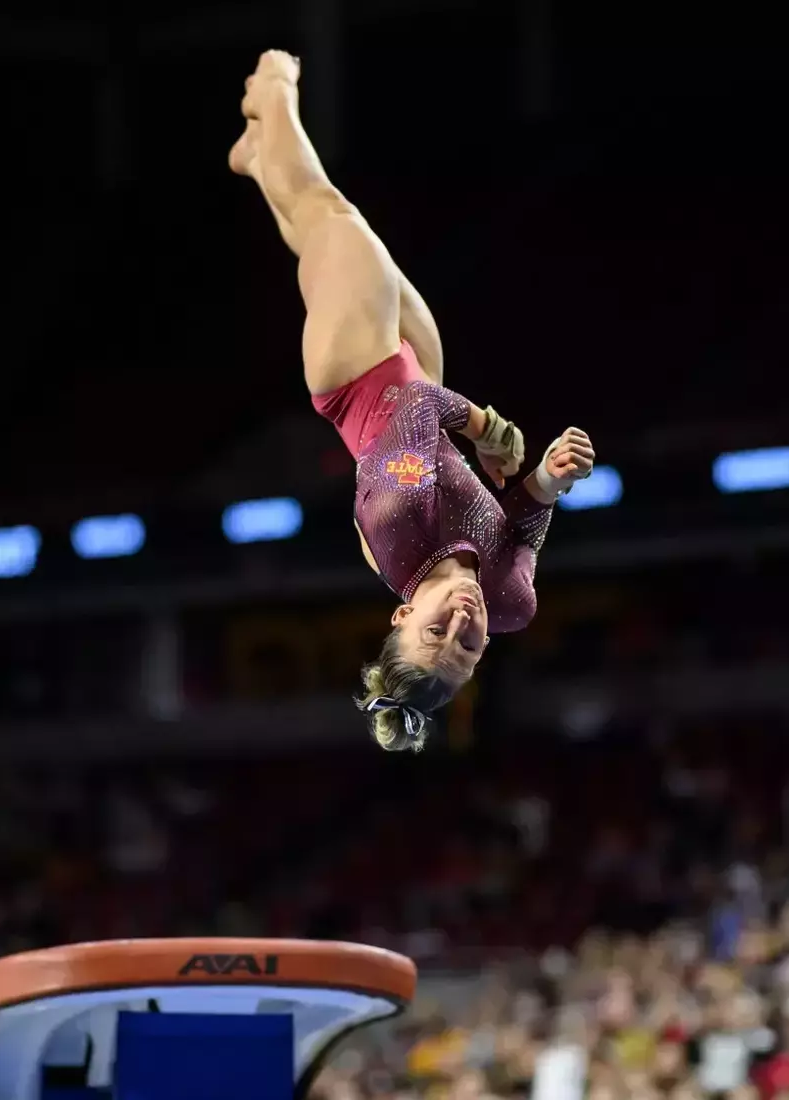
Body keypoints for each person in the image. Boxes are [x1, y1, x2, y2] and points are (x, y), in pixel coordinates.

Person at [228, 50, 596, 751]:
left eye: (438, 632)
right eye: (467, 648)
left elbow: (416, 411)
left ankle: (271, 90)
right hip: (416, 373)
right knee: (321, 234)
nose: (463, 622)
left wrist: (489, 430)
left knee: (331, 214)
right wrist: (548, 478)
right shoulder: (511, 604)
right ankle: (255, 156)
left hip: (355, 377)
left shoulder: (398, 521)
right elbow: (516, 531)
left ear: (402, 617)